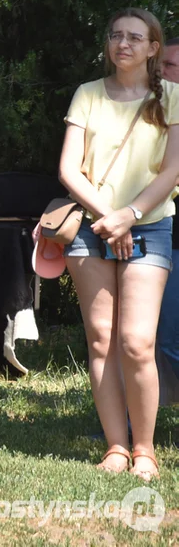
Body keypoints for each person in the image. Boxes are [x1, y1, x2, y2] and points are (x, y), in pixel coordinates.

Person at [58, 9, 179, 481]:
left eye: (135, 37)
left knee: (136, 341)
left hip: (149, 226)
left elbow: (171, 171)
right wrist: (108, 218)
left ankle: (145, 448)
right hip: (91, 227)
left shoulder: (170, 96)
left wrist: (127, 216)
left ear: (153, 48)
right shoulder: (88, 94)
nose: (123, 44)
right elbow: (69, 170)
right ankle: (115, 445)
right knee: (102, 339)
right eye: (115, 36)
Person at [159, 37, 179, 396]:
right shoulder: (148, 113)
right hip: (156, 237)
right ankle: (127, 425)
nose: (160, 73)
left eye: (170, 67)